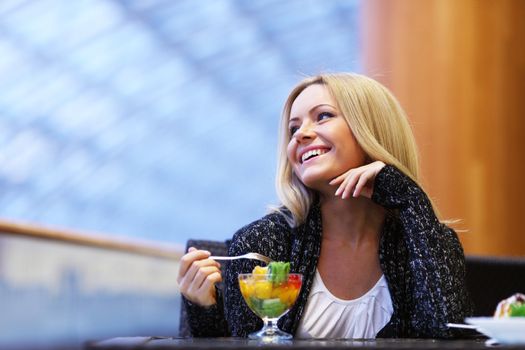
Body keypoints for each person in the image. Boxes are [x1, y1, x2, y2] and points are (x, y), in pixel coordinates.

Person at [177, 72, 472, 338]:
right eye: (293, 129)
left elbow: (447, 337)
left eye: (323, 116)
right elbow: (240, 342)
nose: (301, 135)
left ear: (373, 129)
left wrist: (409, 198)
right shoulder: (262, 242)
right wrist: (204, 308)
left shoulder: (431, 241)